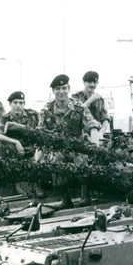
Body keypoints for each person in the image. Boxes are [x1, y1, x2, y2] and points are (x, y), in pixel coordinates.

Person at [36, 74, 101, 208]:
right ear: (53, 91)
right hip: (57, 148)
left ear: (69, 89)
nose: (61, 92)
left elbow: (91, 124)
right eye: (58, 89)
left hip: (77, 146)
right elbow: (40, 134)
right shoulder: (46, 110)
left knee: (81, 160)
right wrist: (38, 155)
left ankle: (85, 196)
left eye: (64, 88)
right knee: (56, 160)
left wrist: (95, 143)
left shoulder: (78, 107)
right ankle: (65, 199)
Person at [0, 91, 42, 197]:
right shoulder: (6, 118)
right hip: (15, 150)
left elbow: (43, 132)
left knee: (41, 157)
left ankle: (37, 187)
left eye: (21, 103)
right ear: (10, 104)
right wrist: (15, 142)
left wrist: (38, 149)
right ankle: (4, 186)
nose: (18, 106)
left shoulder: (34, 115)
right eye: (15, 103)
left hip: (32, 148)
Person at [72, 70, 111, 135]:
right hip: (80, 135)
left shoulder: (99, 99)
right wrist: (90, 100)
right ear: (84, 82)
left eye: (94, 82)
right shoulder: (76, 97)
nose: (92, 85)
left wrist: (101, 132)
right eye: (89, 82)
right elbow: (75, 113)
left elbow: (105, 118)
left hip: (96, 134)